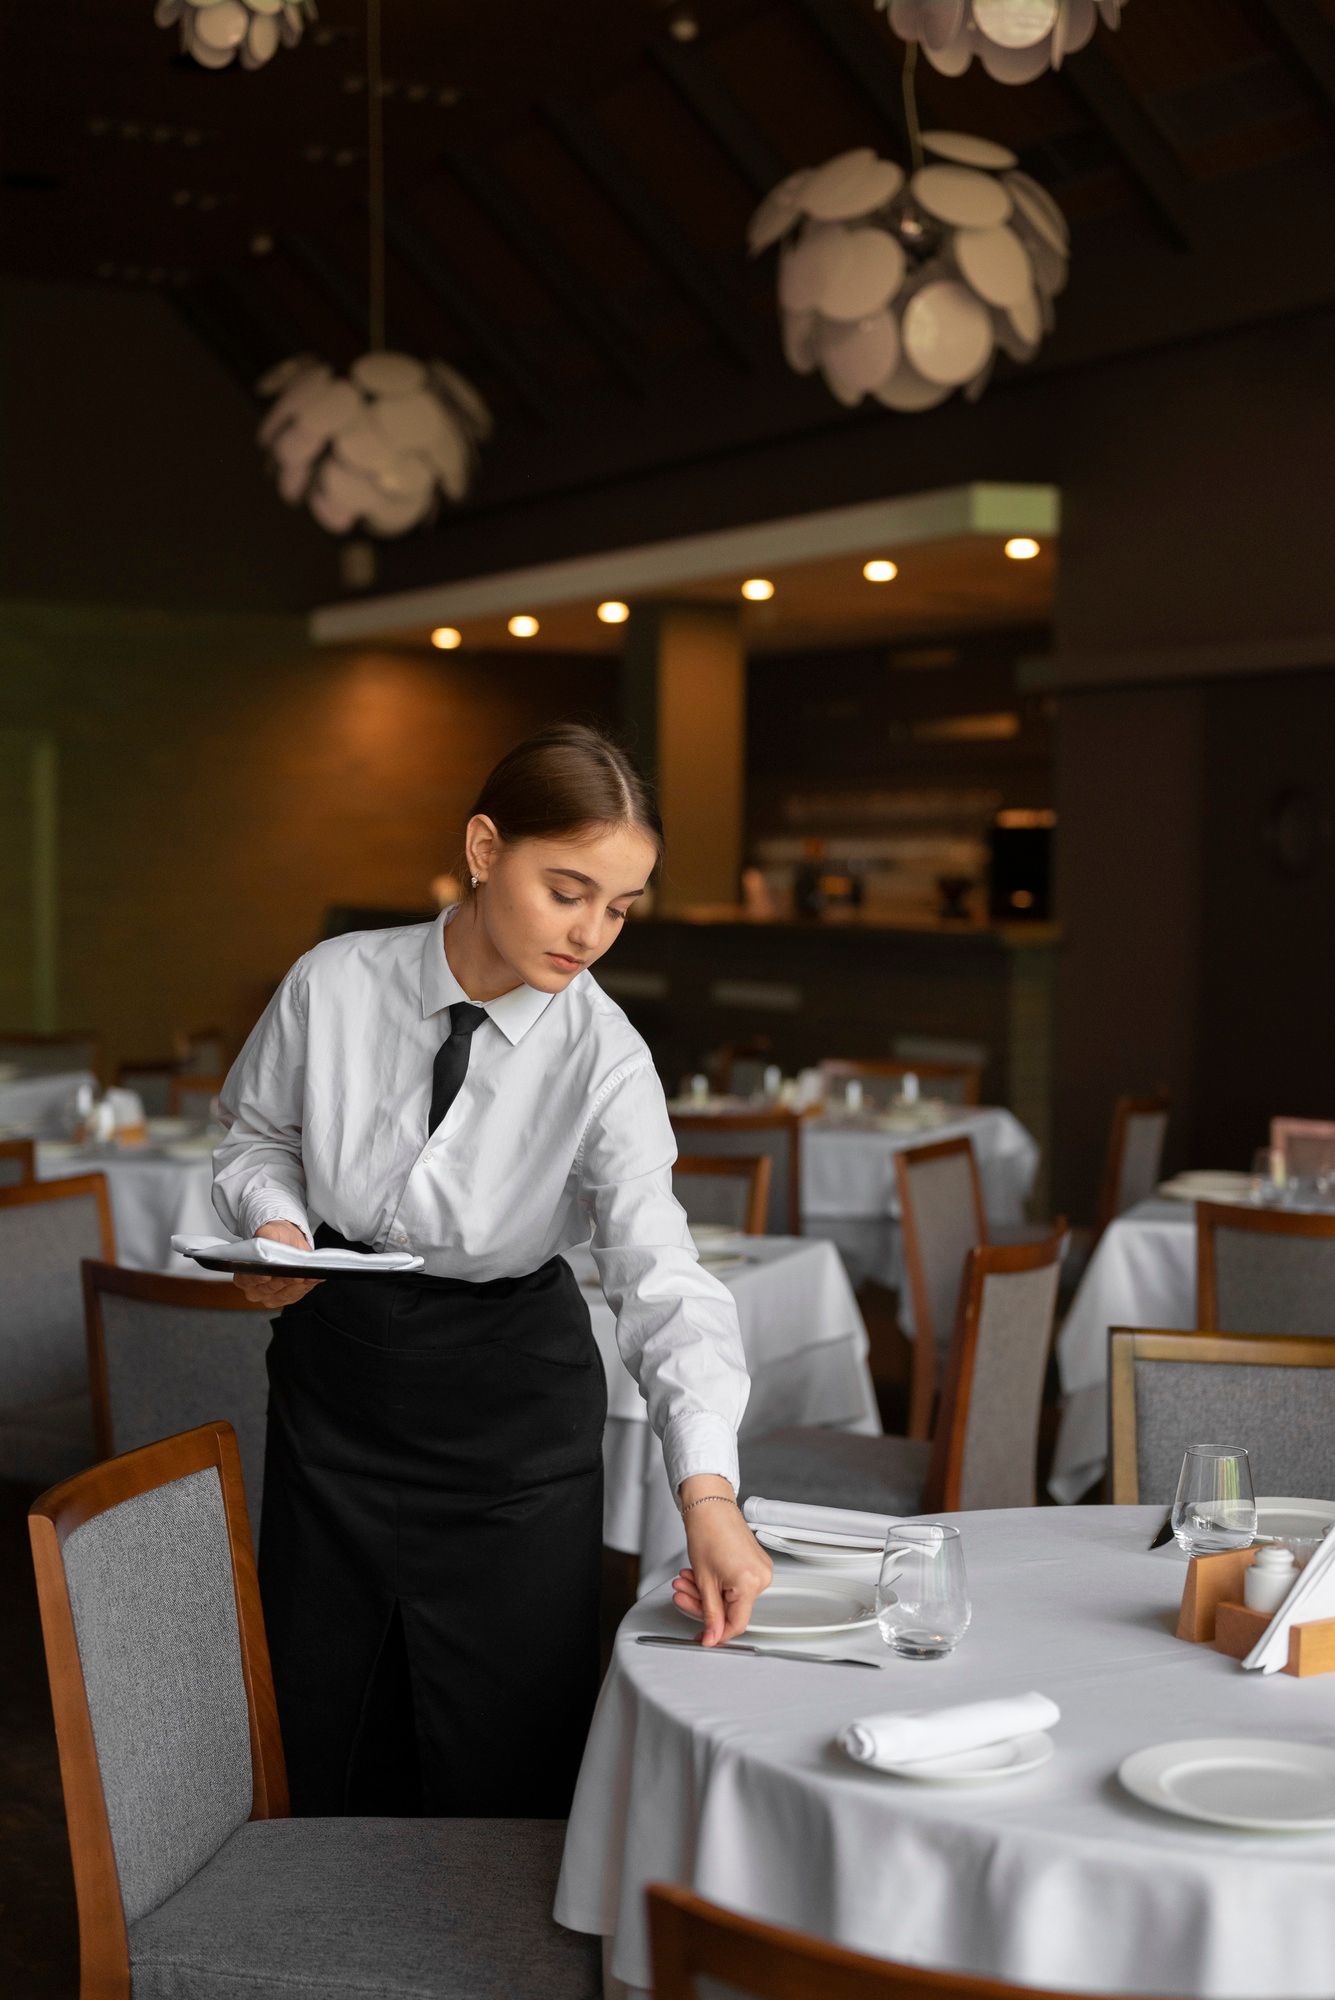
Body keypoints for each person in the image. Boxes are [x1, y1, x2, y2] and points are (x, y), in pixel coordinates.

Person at [214, 722, 772, 1819]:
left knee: (506, 1756)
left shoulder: (604, 1054)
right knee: (324, 1725)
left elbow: (660, 1274)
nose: (591, 933)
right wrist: (278, 1228)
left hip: (510, 1417)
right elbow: (254, 1137)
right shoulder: (334, 982)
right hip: (336, 1387)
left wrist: (708, 1491)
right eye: (569, 890)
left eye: (618, 906)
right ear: (483, 847)